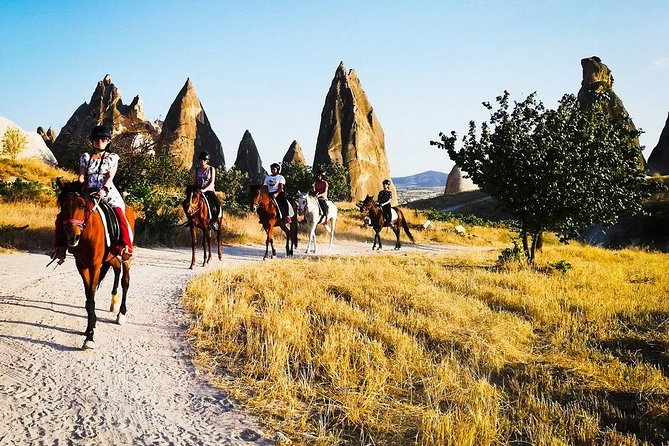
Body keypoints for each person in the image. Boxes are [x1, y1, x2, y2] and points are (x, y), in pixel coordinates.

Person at [52, 125, 133, 262]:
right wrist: (79, 185)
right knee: (63, 215)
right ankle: (60, 248)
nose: (99, 141)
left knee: (119, 213)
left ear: (108, 141)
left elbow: (109, 176)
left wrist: (103, 189)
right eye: (96, 139)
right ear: (92, 141)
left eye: (103, 139)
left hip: (107, 191)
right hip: (87, 191)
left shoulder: (112, 158)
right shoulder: (85, 157)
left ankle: (126, 246)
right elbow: (82, 175)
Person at [193, 151, 221, 230]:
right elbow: (194, 181)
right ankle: (191, 220)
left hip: (209, 190)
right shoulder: (196, 169)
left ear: (206, 161)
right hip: (198, 190)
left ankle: (214, 221)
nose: (202, 161)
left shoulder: (211, 169)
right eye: (201, 160)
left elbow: (212, 182)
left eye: (204, 160)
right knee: (189, 202)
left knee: (217, 205)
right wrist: (194, 189)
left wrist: (204, 189)